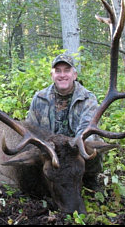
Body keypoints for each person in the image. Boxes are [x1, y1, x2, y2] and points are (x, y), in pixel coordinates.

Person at [26, 53, 103, 191]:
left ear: (74, 75)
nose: (62, 75)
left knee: (92, 142)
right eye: (58, 71)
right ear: (52, 75)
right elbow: (30, 129)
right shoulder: (39, 98)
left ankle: (89, 180)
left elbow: (86, 129)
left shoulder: (87, 98)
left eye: (67, 70)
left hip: (74, 152)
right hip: (50, 154)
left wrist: (74, 146)